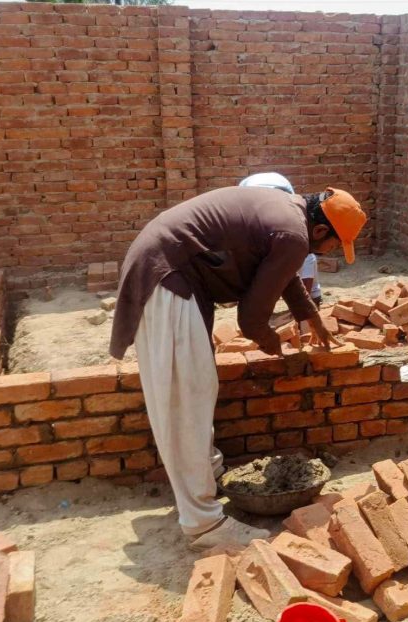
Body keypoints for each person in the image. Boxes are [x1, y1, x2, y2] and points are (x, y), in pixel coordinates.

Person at [110, 185, 367, 549]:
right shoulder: (294, 235)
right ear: (322, 230)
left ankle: (208, 473)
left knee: (196, 389)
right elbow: (250, 318)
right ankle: (204, 525)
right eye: (335, 246)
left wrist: (309, 315)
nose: (331, 252)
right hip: (167, 277)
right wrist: (271, 343)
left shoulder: (291, 215)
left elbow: (281, 273)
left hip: (170, 269)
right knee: (186, 400)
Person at [239, 172, 323, 306]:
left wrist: (306, 304)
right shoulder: (257, 218)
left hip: (280, 190)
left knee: (304, 251)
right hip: (249, 197)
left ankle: (314, 294)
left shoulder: (292, 224)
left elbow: (304, 256)